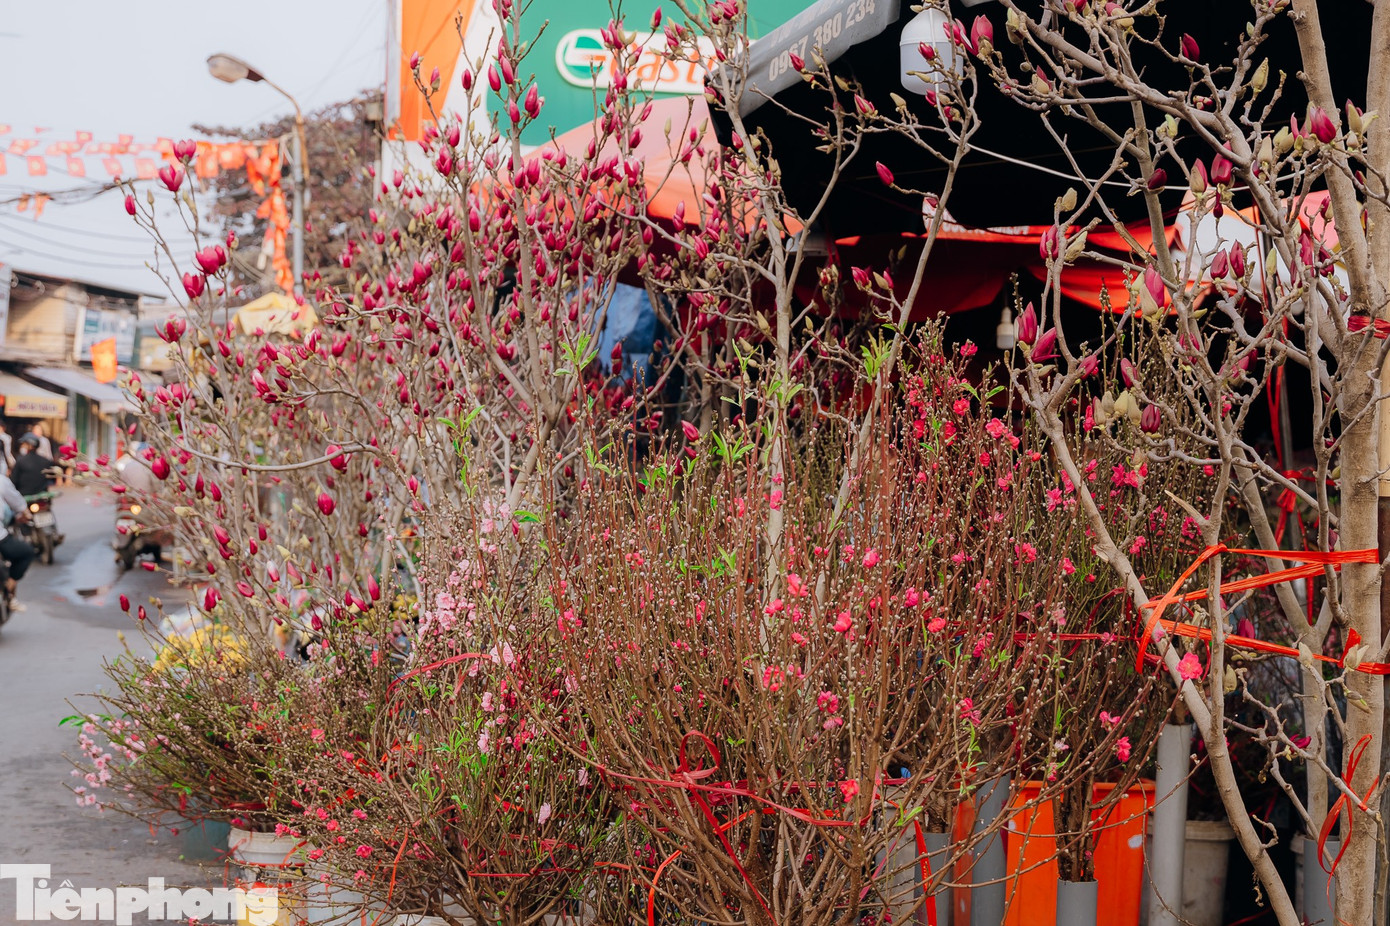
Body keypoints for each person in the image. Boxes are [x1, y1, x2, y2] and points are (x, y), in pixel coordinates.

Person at [0, 468, 34, 598]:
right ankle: (10, 583)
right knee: (26, 553)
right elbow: (19, 504)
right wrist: (26, 514)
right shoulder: (2, 481)